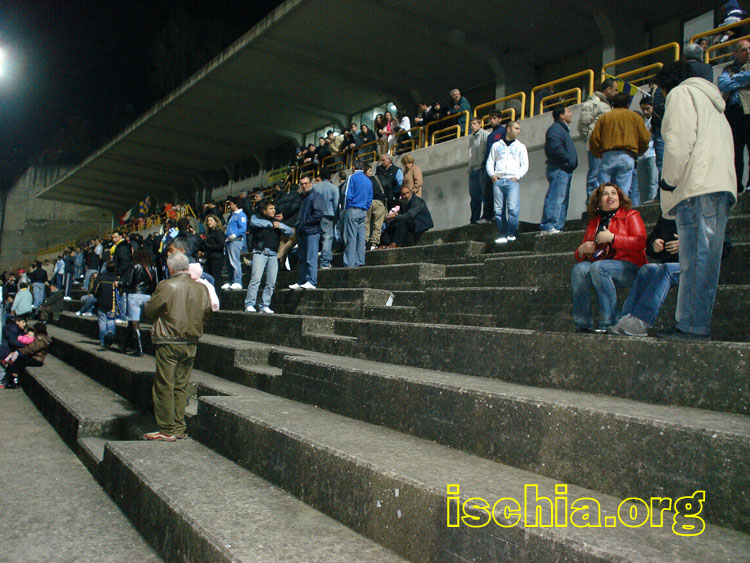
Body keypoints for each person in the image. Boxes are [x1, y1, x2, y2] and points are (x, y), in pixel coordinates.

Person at [657, 60, 737, 340]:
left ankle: (692, 326)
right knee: (705, 260)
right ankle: (694, 323)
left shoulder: (681, 94)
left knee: (697, 260)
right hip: (718, 186)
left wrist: (668, 180)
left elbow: (678, 142)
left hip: (697, 186)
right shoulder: (714, 105)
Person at [143, 252, 212, 441]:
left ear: (171, 268)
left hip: (168, 339)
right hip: (191, 340)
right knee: (182, 385)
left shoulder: (166, 285)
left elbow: (150, 311)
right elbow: (207, 314)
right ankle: (179, 426)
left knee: (165, 384)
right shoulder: (201, 288)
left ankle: (167, 428)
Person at [571, 182, 646, 333]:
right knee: (579, 269)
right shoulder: (594, 222)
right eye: (605, 194)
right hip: (600, 267)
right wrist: (581, 250)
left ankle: (609, 322)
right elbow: (583, 254)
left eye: (614, 193)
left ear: (619, 197)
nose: (610, 196)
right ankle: (582, 322)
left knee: (599, 267)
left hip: (629, 266)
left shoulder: (631, 215)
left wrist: (613, 238)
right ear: (598, 201)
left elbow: (640, 242)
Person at [607, 216, 680, 336]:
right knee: (647, 269)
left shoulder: (695, 210)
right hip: (669, 264)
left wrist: (685, 244)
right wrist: (654, 245)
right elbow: (651, 243)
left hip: (693, 266)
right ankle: (626, 317)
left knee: (667, 269)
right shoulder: (667, 214)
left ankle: (641, 321)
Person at [590, 93, 651, 206]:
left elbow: (594, 138)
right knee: (623, 191)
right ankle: (620, 217)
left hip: (607, 155)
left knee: (603, 190)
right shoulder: (635, 117)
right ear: (628, 104)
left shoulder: (605, 117)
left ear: (613, 104)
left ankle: (603, 215)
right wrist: (639, 151)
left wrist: (599, 154)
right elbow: (644, 138)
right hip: (627, 156)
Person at [244, 200, 293, 313]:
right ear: (264, 210)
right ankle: (249, 304)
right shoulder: (257, 218)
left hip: (273, 254)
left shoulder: (276, 222)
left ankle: (264, 305)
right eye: (270, 209)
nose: (273, 211)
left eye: (274, 209)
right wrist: (270, 224)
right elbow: (253, 222)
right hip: (260, 252)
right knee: (256, 279)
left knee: (271, 282)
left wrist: (280, 225)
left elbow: (290, 231)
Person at [486, 120, 529, 244]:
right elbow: (490, 162)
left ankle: (512, 232)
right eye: (516, 128)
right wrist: (492, 175)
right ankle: (502, 233)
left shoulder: (520, 146)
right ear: (508, 129)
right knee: (499, 210)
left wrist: (517, 176)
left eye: (519, 129)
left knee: (513, 209)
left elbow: (525, 165)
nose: (518, 131)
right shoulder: (496, 145)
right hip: (498, 181)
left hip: (512, 181)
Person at [718, 39, 750, 194]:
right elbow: (723, 84)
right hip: (733, 112)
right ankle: (736, 185)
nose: (748, 52)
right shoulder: (728, 69)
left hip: (749, 110)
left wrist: (738, 79)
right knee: (735, 151)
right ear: (736, 53)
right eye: (744, 49)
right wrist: (743, 80)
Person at [540, 106, 578, 234]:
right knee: (556, 198)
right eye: (568, 111)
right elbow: (555, 147)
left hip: (564, 169)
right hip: (559, 168)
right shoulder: (556, 129)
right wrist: (567, 160)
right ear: (561, 115)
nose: (571, 114)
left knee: (561, 199)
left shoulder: (562, 130)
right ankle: (549, 226)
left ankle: (557, 226)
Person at [578, 79, 617, 197]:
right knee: (594, 173)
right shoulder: (593, 102)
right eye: (615, 90)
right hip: (596, 145)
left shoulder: (608, 104)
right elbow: (583, 125)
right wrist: (591, 138)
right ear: (608, 89)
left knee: (605, 175)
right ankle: (591, 202)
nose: (617, 93)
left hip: (607, 145)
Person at [119, 248, 158, 356]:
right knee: (132, 322)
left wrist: (120, 285)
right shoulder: (153, 267)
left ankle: (139, 348)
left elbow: (129, 282)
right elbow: (156, 283)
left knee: (134, 322)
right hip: (147, 296)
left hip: (135, 295)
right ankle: (125, 345)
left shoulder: (134, 266)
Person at [288, 177, 325, 290]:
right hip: (303, 231)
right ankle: (302, 281)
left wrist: (306, 222)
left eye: (306, 183)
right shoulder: (303, 198)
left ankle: (311, 281)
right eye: (302, 184)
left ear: (310, 184)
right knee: (303, 258)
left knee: (310, 257)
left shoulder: (315, 196)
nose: (304, 186)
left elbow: (318, 214)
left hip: (311, 231)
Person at [341, 160, 372, 268]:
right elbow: (369, 198)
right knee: (360, 238)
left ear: (353, 167)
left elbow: (347, 195)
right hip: (363, 210)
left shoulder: (352, 178)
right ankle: (360, 261)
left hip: (352, 209)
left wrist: (345, 208)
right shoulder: (368, 180)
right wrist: (365, 207)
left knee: (351, 237)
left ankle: (349, 262)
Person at [314, 168, 339, 270]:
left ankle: (313, 261)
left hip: (316, 215)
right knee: (327, 238)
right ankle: (325, 262)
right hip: (328, 214)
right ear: (331, 176)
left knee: (315, 238)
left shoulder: (315, 188)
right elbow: (336, 204)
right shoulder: (333, 188)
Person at [92, 262, 120, 350]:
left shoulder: (100, 279)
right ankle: (111, 333)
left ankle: (103, 341)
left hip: (102, 303)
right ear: (115, 268)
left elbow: (95, 291)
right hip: (113, 304)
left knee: (102, 322)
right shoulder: (117, 279)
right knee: (111, 321)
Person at [467, 116, 490, 224]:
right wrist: (469, 168)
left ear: (480, 124)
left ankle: (486, 216)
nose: (472, 126)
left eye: (474, 124)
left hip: (482, 168)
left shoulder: (486, 135)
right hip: (474, 170)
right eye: (471, 124)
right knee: (474, 196)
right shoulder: (471, 139)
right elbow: (471, 154)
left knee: (484, 194)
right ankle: (474, 218)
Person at [636, 96, 659, 203]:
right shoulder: (641, 121)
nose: (645, 112)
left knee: (653, 182)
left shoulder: (656, 120)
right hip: (642, 155)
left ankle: (652, 202)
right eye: (643, 109)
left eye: (647, 109)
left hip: (652, 154)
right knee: (642, 185)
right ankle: (643, 204)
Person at [221, 197, 247, 290]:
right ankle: (230, 280)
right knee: (228, 262)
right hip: (229, 240)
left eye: (230, 204)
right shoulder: (233, 215)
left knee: (234, 261)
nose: (229, 206)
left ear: (236, 204)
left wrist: (235, 234)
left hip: (235, 241)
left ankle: (237, 281)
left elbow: (243, 228)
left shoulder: (241, 215)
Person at [365, 167, 386, 250]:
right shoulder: (377, 179)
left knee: (366, 224)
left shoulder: (364, 180)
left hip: (368, 202)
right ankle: (374, 244)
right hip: (379, 201)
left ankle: (364, 242)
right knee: (378, 225)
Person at [201, 214, 225, 284]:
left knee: (216, 279)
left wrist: (208, 245)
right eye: (208, 221)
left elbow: (221, 245)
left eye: (211, 220)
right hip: (209, 258)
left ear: (216, 222)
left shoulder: (218, 233)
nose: (209, 222)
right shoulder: (208, 233)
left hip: (217, 259)